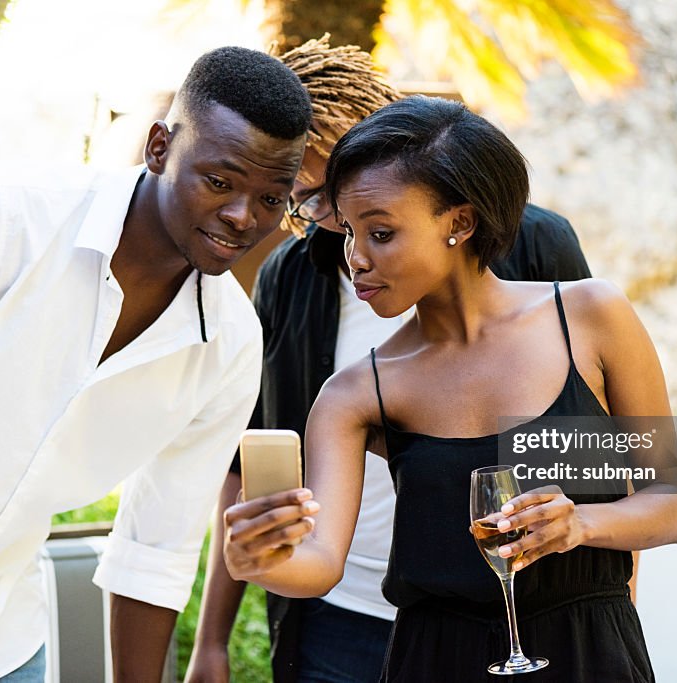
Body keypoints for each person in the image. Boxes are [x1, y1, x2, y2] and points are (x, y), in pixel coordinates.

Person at [223, 95, 677, 682]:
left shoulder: (591, 316)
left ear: (460, 223)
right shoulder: (356, 392)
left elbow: (673, 507)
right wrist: (259, 561)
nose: (355, 259)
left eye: (381, 233)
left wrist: (581, 524)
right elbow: (319, 564)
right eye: (349, 231)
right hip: (435, 660)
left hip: (587, 651)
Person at [0, 47, 311, 683]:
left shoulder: (229, 346)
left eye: (271, 198)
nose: (242, 217)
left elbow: (154, 550)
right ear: (160, 146)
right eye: (220, 182)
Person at [185, 37, 593, 683]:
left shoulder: (538, 246)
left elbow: (598, 458)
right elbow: (251, 460)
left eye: (329, 193)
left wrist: (609, 620)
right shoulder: (290, 278)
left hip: (508, 613)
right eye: (303, 202)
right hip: (334, 619)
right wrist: (212, 640)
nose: (321, 222)